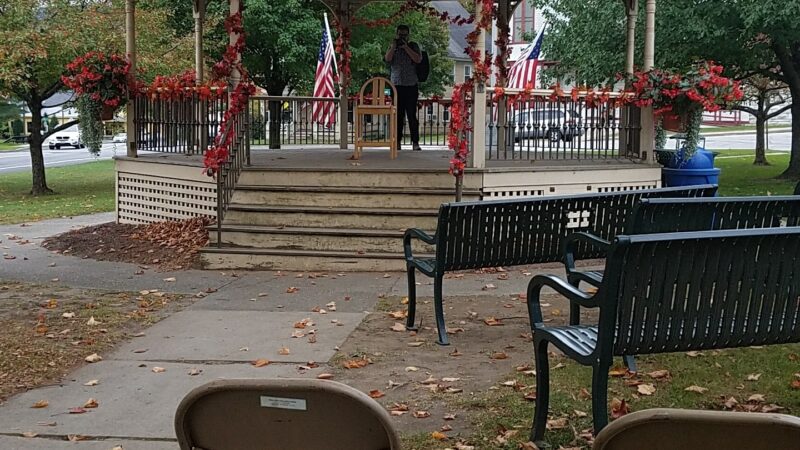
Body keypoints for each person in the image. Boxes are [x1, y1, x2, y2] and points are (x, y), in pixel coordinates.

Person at [384, 24, 422, 151]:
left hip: (411, 85)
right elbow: (387, 59)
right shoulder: (393, 46)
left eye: (405, 35)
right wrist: (394, 47)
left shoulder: (413, 46)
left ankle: (415, 142)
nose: (402, 37)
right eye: (400, 35)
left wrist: (406, 47)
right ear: (397, 34)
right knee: (398, 115)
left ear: (408, 35)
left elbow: (418, 59)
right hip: (396, 86)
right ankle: (397, 141)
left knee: (411, 115)